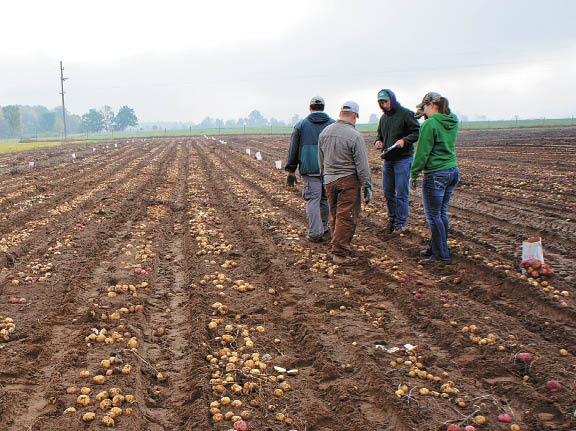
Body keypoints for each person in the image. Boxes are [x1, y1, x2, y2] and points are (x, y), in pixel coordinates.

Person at [319, 101, 372, 265]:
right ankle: (340, 254)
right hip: (348, 180)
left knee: (334, 214)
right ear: (355, 115)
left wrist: (325, 176)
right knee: (346, 217)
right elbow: (362, 165)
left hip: (329, 179)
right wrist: (366, 184)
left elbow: (321, 159)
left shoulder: (325, 132)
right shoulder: (354, 136)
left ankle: (336, 245)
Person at [410, 92, 460, 264]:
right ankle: (436, 247)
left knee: (433, 215)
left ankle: (440, 254)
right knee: (441, 213)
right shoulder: (452, 120)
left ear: (431, 105)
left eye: (424, 108)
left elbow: (422, 153)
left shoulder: (430, 124)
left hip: (436, 174)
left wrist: (414, 173)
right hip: (452, 171)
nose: (423, 112)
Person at [285, 96, 335, 242]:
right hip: (328, 168)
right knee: (325, 198)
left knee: (313, 199)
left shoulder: (301, 125)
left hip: (310, 168)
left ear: (310, 107)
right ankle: (325, 228)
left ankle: (315, 233)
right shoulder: (332, 124)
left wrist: (290, 170)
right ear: (323, 107)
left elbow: (293, 149)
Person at [374, 89, 421, 234]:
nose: (384, 105)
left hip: (403, 159)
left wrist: (404, 141)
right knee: (388, 192)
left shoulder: (406, 114)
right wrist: (378, 141)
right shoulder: (383, 118)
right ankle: (392, 219)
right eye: (381, 103)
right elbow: (379, 134)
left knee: (401, 192)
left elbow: (416, 132)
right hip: (388, 159)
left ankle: (401, 223)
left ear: (392, 100)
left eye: (385, 102)